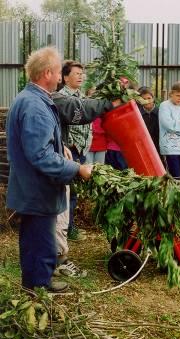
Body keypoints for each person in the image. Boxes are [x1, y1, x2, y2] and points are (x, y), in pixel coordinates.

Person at [6, 47, 119, 292]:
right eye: (58, 73)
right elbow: (40, 155)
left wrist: (62, 147)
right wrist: (77, 169)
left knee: (37, 238)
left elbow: (40, 144)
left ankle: (37, 282)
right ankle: (38, 288)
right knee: (40, 239)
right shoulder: (35, 106)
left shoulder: (32, 98)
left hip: (33, 187)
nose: (60, 77)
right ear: (47, 73)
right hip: (37, 188)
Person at [58, 60, 92, 241]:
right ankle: (68, 228)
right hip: (70, 149)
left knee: (75, 191)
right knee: (69, 191)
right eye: (76, 73)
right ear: (65, 77)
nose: (81, 76)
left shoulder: (81, 95)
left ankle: (71, 225)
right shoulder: (62, 97)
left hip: (82, 148)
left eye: (82, 73)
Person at [159, 81, 180, 178]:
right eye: (178, 95)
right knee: (175, 177)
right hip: (169, 148)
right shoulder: (164, 106)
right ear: (171, 94)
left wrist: (176, 124)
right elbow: (168, 125)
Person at [137, 87, 160, 155]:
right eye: (144, 99)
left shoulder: (160, 112)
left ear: (153, 98)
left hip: (158, 146)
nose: (147, 101)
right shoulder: (138, 114)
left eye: (149, 98)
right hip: (144, 146)